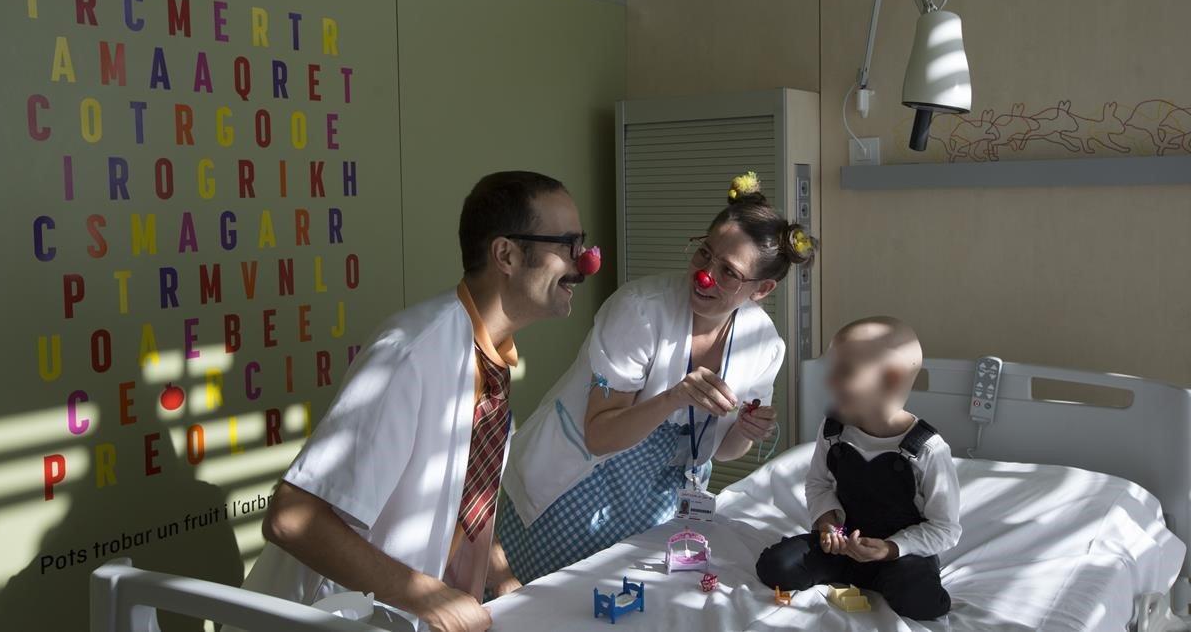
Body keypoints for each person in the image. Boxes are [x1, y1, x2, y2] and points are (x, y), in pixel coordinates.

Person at [226, 171, 592, 632]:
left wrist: (500, 577)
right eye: (568, 244)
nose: (586, 261)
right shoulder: (410, 353)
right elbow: (292, 518)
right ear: (507, 255)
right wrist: (427, 596)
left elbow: (458, 501)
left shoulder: (490, 362)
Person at [498, 172, 818, 584]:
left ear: (762, 289)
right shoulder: (639, 310)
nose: (705, 275)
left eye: (728, 272)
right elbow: (600, 435)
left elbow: (723, 453)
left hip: (661, 503)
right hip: (577, 486)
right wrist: (673, 398)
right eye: (704, 254)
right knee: (547, 609)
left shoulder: (764, 344)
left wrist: (746, 429)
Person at [754, 316, 961, 620]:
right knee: (775, 567)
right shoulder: (834, 429)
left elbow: (945, 528)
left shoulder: (928, 450)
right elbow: (819, 484)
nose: (829, 382)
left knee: (922, 602)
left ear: (890, 379)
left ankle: (889, 578)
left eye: (843, 372)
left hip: (896, 554)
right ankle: (852, 571)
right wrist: (828, 526)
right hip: (843, 545)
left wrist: (889, 549)